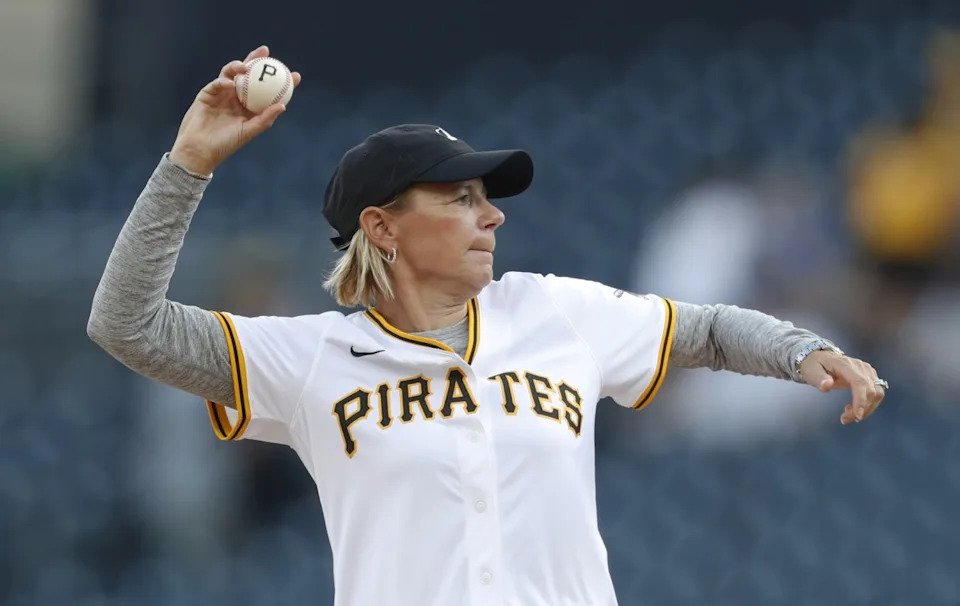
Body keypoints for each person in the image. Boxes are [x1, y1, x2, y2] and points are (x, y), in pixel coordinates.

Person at [87, 46, 889, 606]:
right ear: (384, 226)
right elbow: (127, 323)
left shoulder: (556, 313)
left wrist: (802, 351)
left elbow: (705, 330)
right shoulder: (308, 358)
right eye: (460, 199)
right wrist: (187, 164)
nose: (491, 215)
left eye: (487, 196)